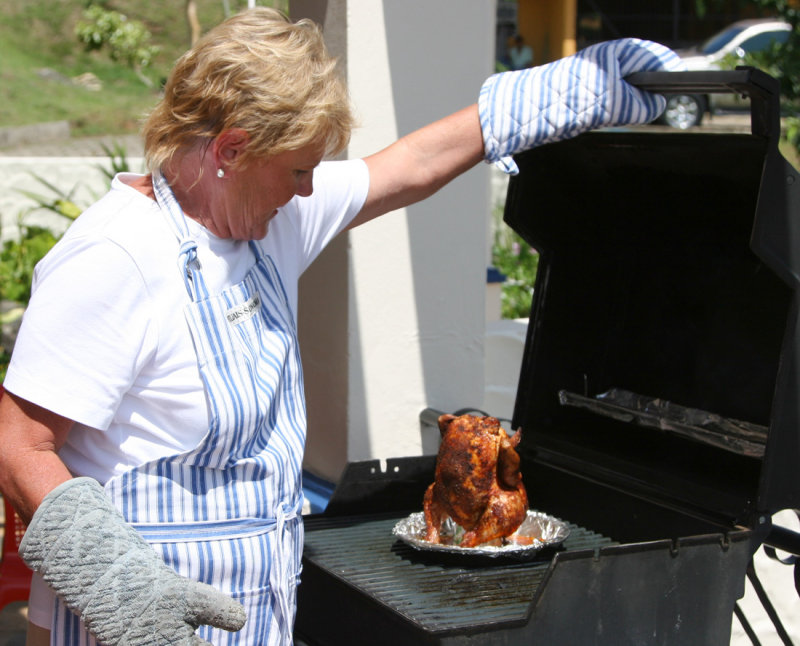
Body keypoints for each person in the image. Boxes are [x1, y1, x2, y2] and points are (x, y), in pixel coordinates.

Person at [0, 8, 682, 646]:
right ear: (232, 148)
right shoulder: (116, 257)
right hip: (126, 626)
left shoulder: (269, 221)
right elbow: (16, 443)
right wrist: (124, 592)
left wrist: (573, 91)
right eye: (298, 170)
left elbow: (410, 165)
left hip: (253, 617)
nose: (307, 190)